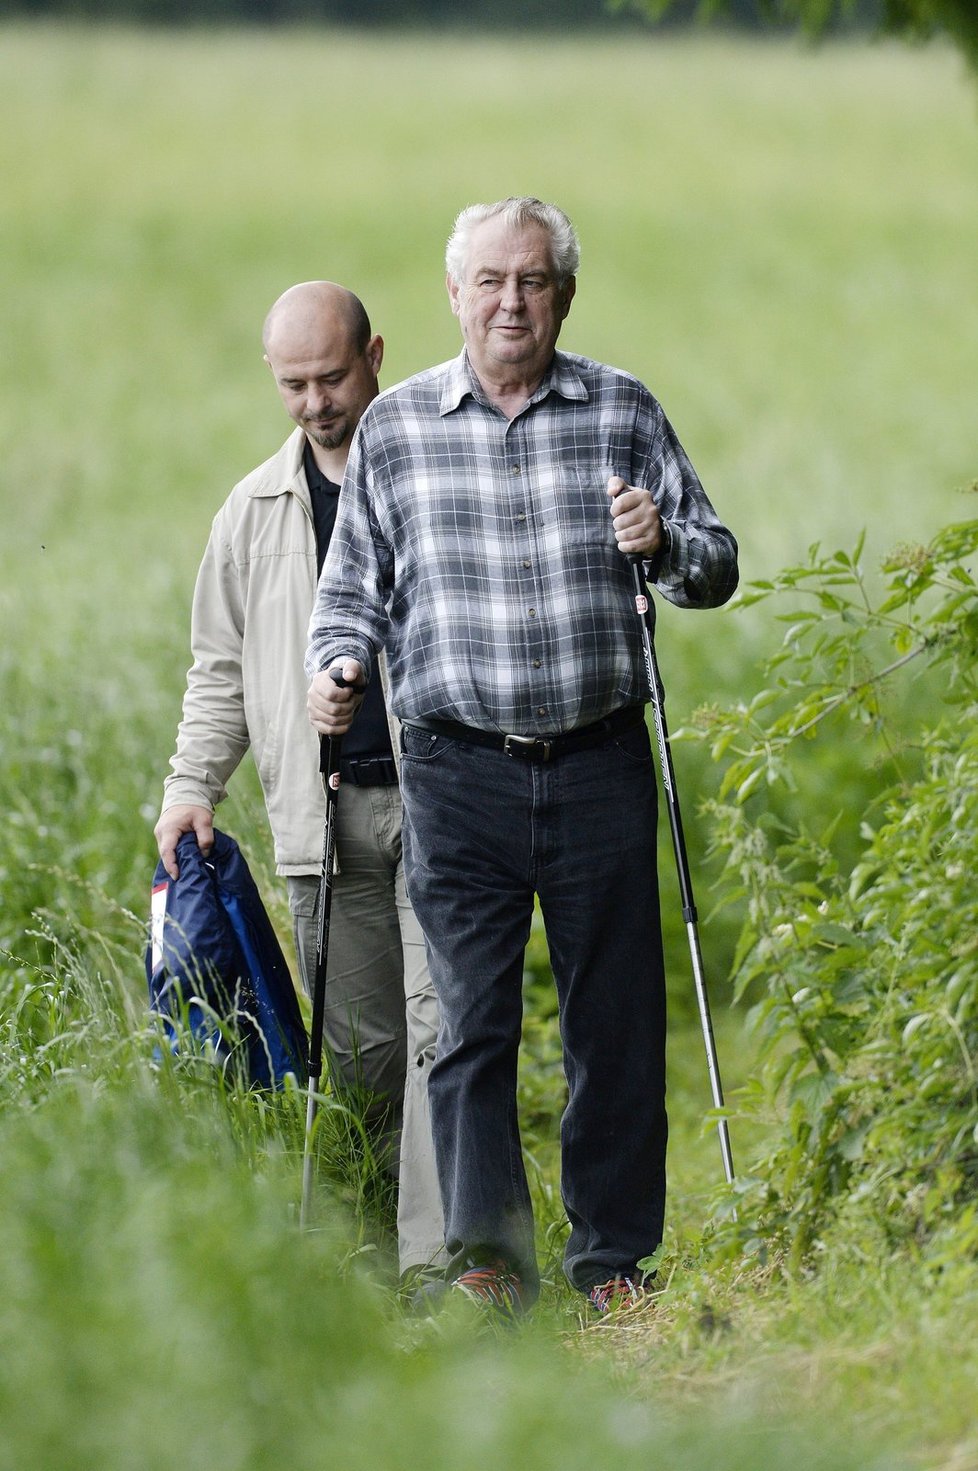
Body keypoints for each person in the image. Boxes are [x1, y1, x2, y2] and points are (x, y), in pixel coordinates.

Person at [305, 200, 738, 1317]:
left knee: (616, 1023)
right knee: (471, 1024)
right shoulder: (395, 430)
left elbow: (715, 564)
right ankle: (492, 1262)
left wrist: (667, 542)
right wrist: (340, 662)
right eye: (491, 280)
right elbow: (348, 591)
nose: (511, 302)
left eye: (534, 281)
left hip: (598, 759)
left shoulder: (622, 408)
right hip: (458, 770)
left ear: (566, 295)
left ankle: (615, 1264)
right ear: (454, 294)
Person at [154, 281, 445, 1282]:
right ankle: (359, 1274)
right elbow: (220, 669)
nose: (317, 401)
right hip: (324, 821)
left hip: (447, 801)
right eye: (293, 384)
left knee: (442, 1034)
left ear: (373, 354)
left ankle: (440, 1272)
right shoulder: (252, 512)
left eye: (330, 376)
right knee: (360, 1060)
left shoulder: (438, 472)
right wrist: (192, 788)